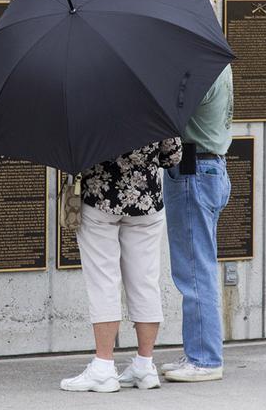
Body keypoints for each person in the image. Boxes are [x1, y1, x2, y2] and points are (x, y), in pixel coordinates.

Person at [60, 138, 183, 393]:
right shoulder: (155, 100)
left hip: (100, 199)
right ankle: (145, 366)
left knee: (103, 282)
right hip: (148, 201)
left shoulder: (89, 101)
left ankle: (104, 367)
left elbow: (73, 152)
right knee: (146, 282)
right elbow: (173, 156)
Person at [161, 64, 233, 382]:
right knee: (198, 265)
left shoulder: (200, 72)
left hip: (195, 171)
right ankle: (198, 350)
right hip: (208, 168)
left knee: (193, 269)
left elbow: (171, 116)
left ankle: (204, 359)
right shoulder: (219, 65)